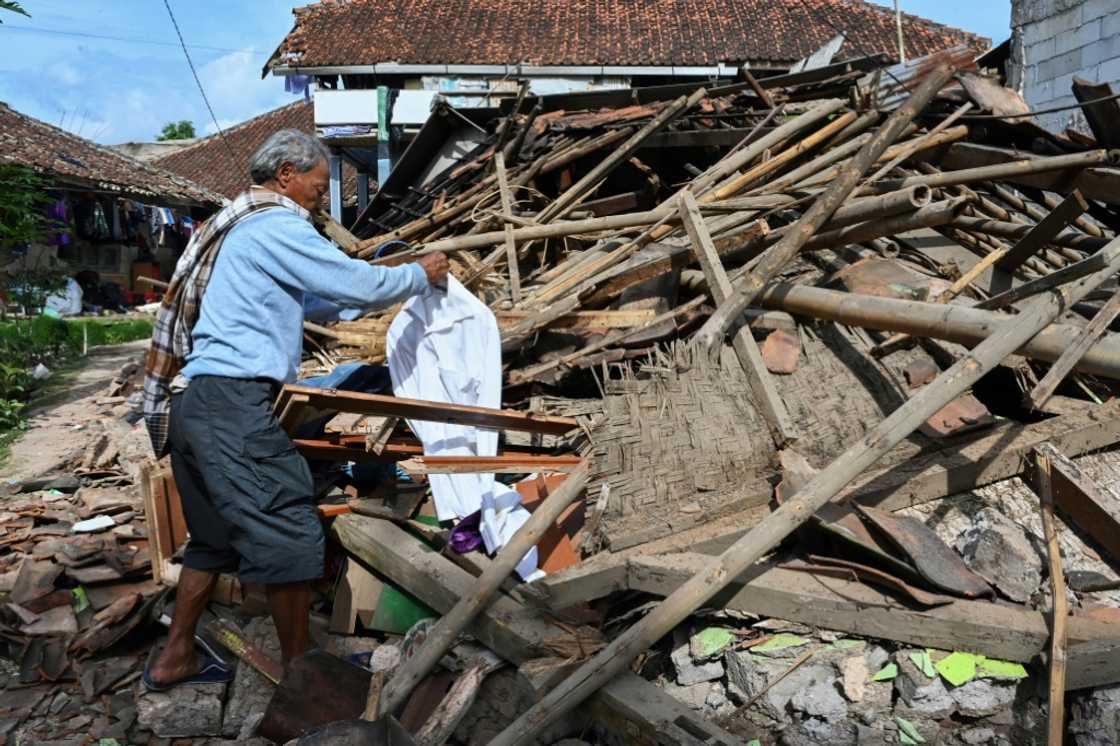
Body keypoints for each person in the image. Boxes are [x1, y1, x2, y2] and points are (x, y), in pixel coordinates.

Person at [142, 129, 448, 690]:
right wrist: (416, 276)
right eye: (318, 181)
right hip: (233, 405)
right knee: (289, 532)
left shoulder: (234, 229)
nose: (319, 193)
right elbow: (352, 281)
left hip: (192, 404)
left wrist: (370, 287)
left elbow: (319, 297)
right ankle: (304, 676)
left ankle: (173, 658)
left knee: (212, 541)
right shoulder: (273, 223)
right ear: (286, 174)